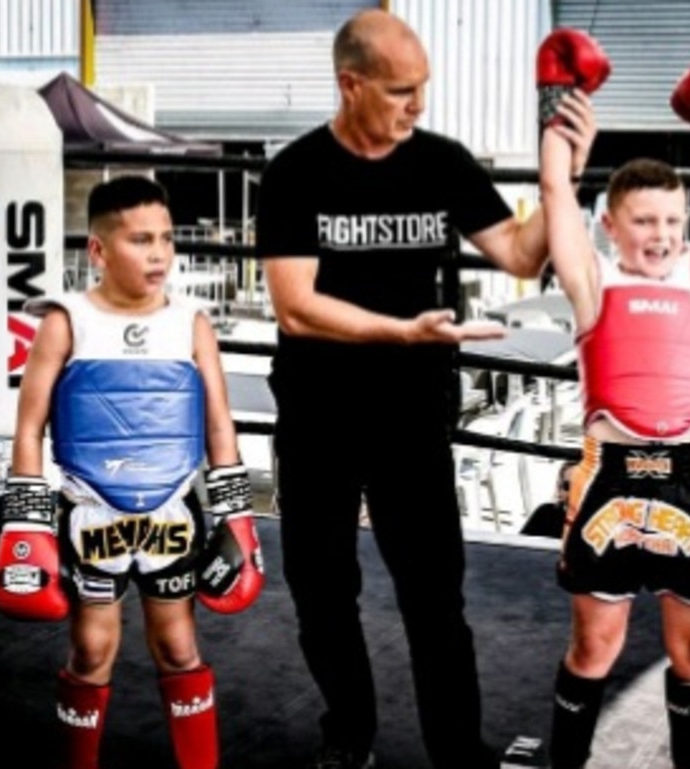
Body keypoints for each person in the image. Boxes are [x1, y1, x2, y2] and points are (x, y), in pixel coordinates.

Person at [254, 10, 605, 769]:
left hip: (411, 415)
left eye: (424, 90)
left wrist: (560, 175)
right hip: (319, 412)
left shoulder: (440, 162)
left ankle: (456, 751)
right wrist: (403, 330)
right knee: (322, 590)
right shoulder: (295, 173)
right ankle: (349, 736)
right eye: (401, 91)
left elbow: (516, 253)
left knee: (435, 598)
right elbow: (293, 304)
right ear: (351, 85)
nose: (418, 106)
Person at [538, 47, 690, 769]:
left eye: (673, 219)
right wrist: (558, 109)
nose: (663, 235)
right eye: (645, 221)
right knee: (595, 646)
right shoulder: (591, 281)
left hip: (689, 477)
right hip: (611, 480)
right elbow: (551, 192)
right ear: (611, 224)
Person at [0, 175, 264, 769]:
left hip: (171, 509)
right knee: (91, 650)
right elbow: (29, 426)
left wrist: (236, 513)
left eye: (166, 238)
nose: (161, 253)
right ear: (98, 250)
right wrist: (26, 526)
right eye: (141, 240)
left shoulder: (191, 320)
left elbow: (219, 423)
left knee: (178, 644)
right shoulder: (65, 320)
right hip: (92, 508)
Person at [521, 461, 575, 538]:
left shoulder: (596, 521)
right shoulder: (546, 514)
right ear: (560, 488)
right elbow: (521, 546)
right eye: (567, 485)